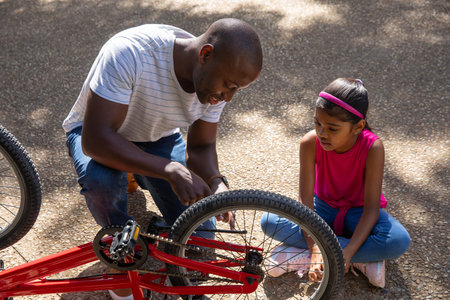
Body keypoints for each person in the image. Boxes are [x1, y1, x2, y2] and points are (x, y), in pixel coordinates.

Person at [62, 18, 262, 299]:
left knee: (200, 243)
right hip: (98, 132)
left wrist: (216, 183)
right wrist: (168, 169)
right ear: (205, 55)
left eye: (237, 89)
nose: (227, 97)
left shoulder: (214, 83)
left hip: (157, 136)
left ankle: (138, 176)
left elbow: (202, 146)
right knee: (101, 181)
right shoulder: (130, 53)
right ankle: (119, 248)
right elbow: (96, 140)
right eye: (228, 85)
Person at [261, 78, 410, 288]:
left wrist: (347, 252)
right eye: (317, 123)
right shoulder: (309, 142)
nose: (322, 133)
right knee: (269, 221)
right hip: (322, 210)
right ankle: (361, 261)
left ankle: (321, 255)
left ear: (358, 127)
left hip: (357, 214)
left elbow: (371, 210)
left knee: (398, 241)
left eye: (332, 128)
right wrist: (314, 247)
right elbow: (305, 201)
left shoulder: (373, 147)